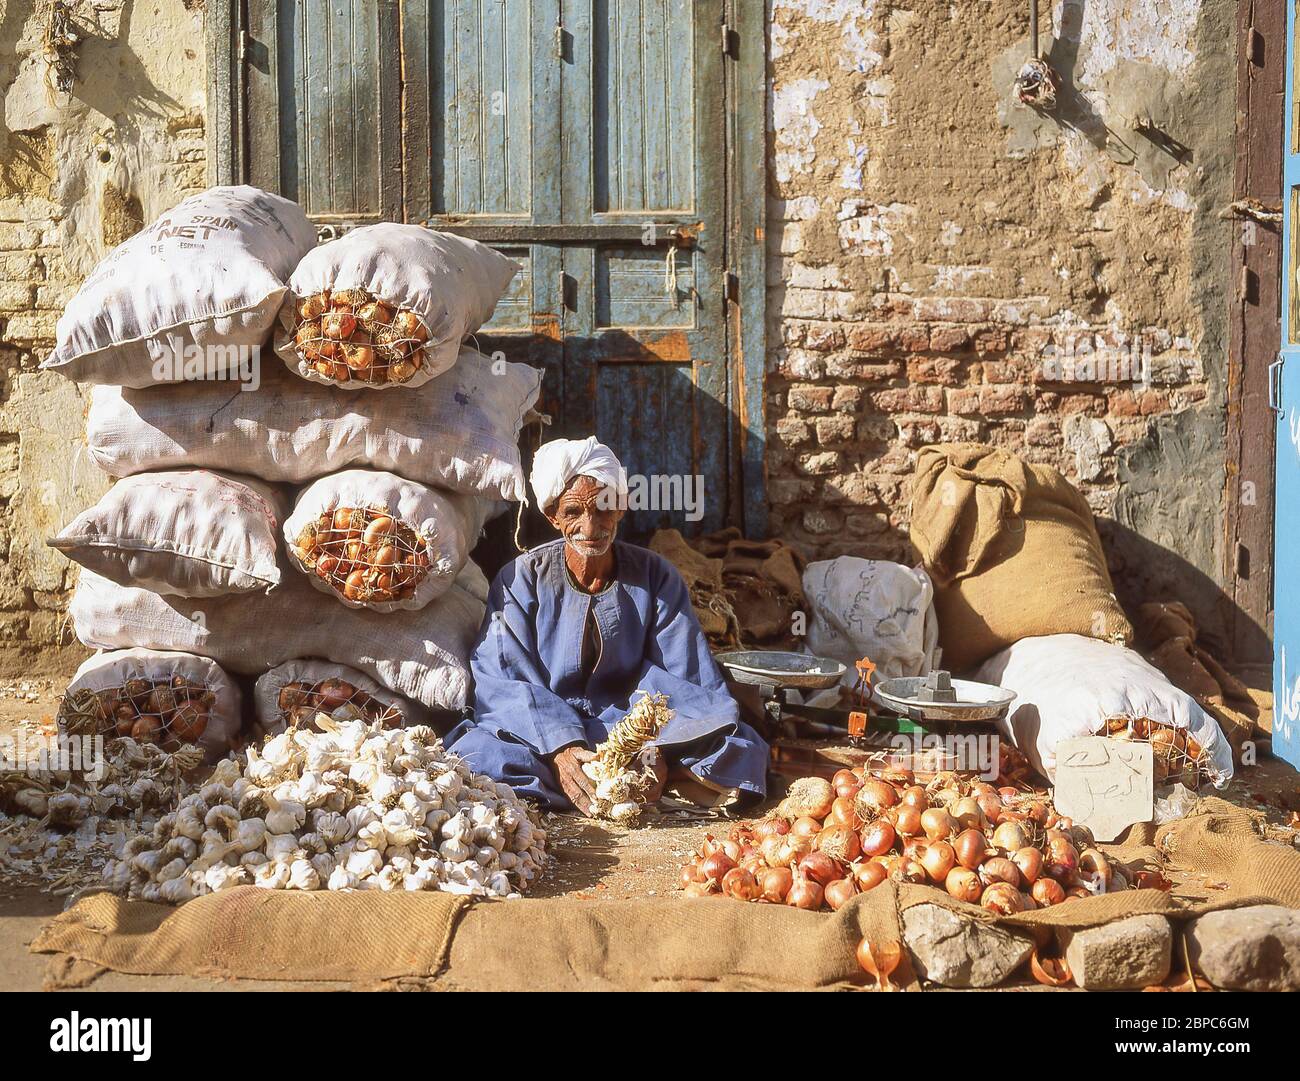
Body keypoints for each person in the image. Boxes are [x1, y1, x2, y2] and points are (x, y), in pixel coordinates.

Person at [447, 436, 768, 812]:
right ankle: (593, 781)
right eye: (573, 512)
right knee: (479, 755)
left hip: (633, 724)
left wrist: (653, 745)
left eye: (603, 508)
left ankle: (638, 780)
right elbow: (502, 678)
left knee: (741, 750)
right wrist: (561, 748)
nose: (591, 526)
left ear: (620, 508)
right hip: (541, 733)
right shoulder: (518, 580)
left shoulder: (656, 575)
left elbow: (685, 674)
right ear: (552, 516)